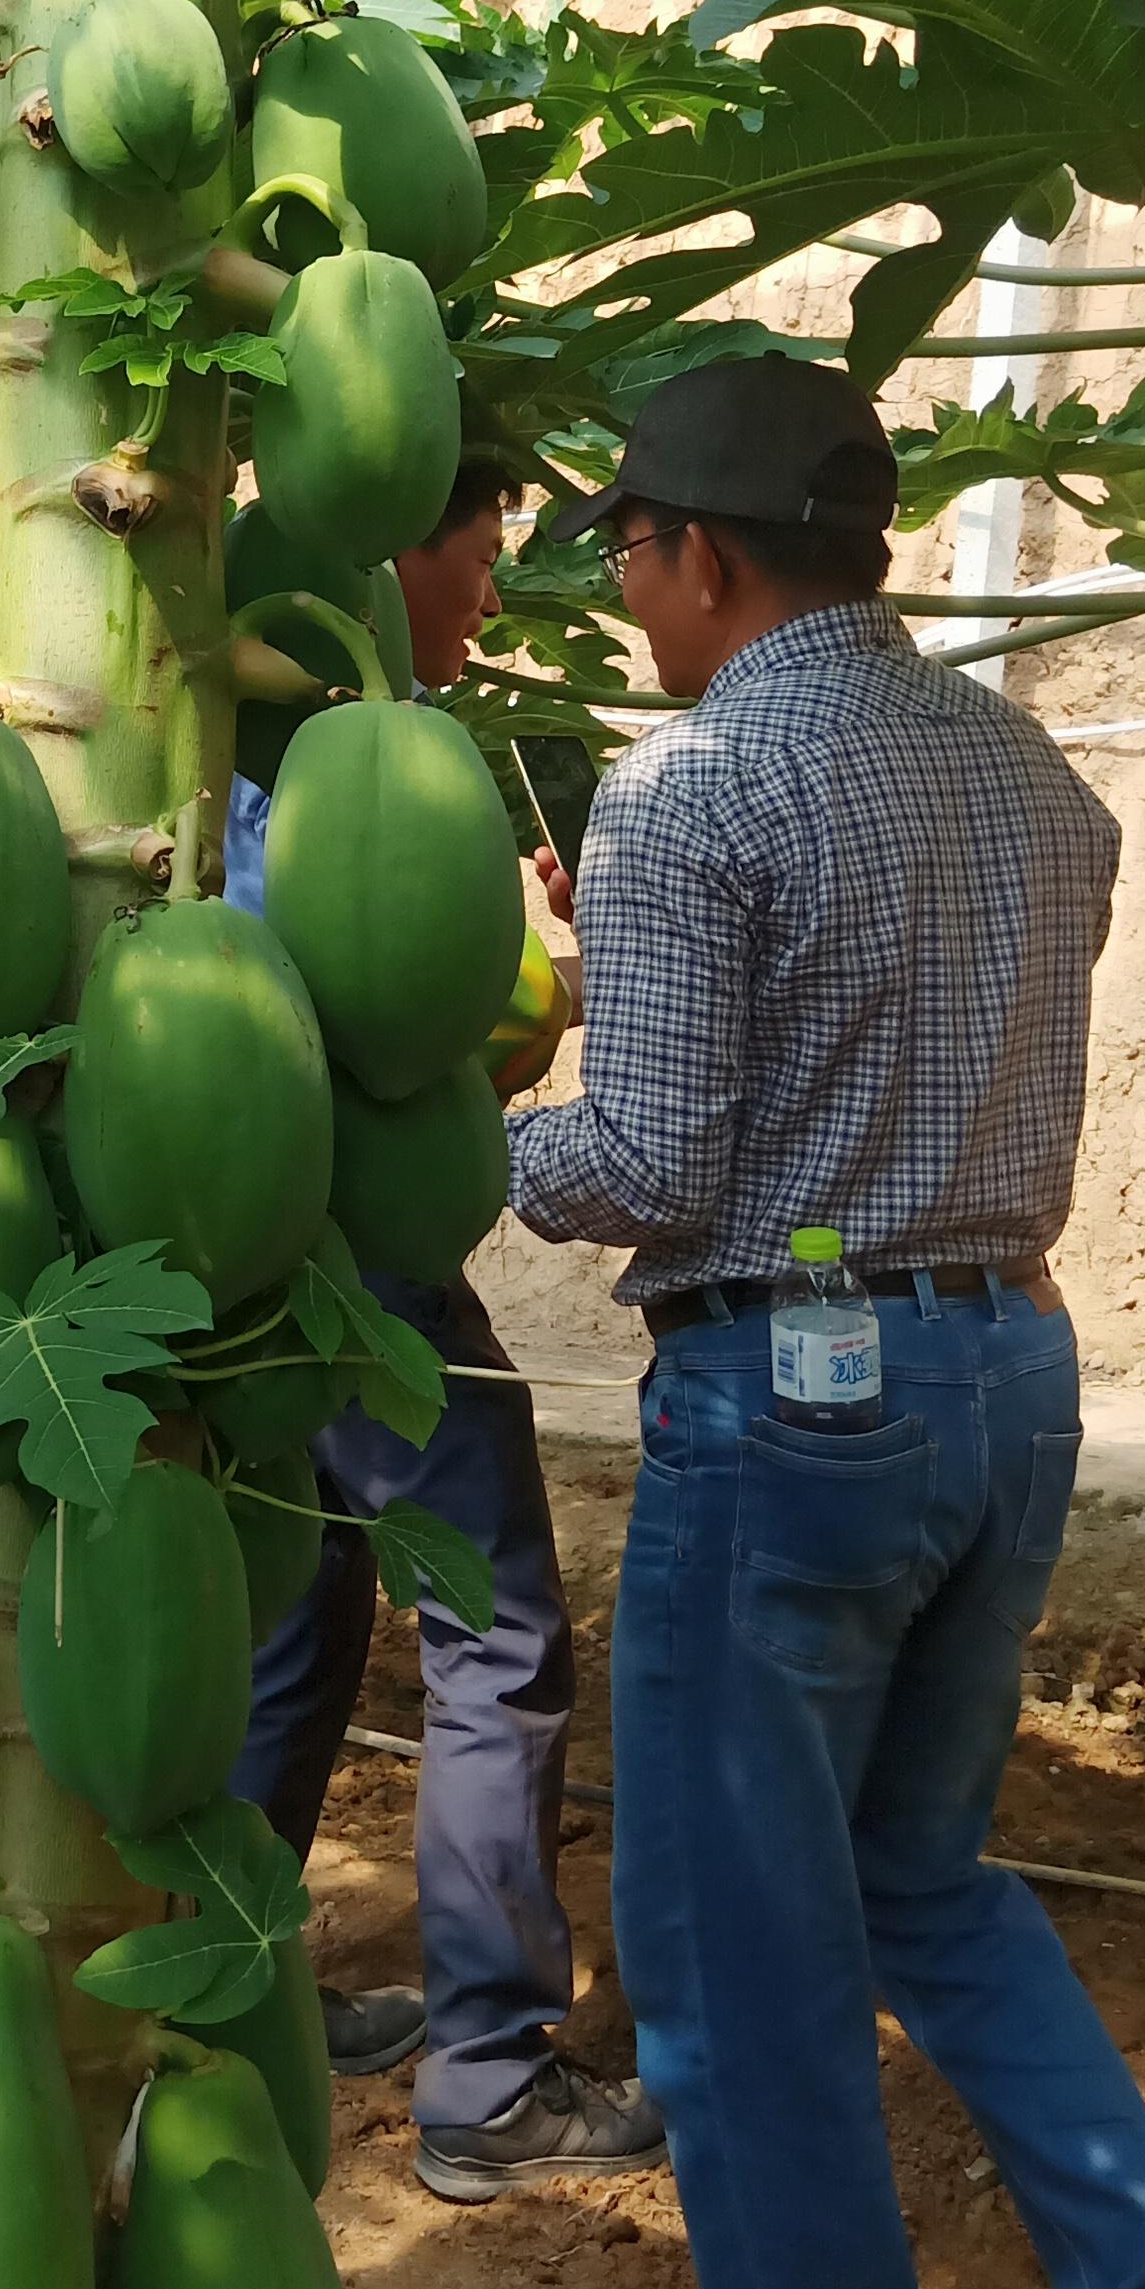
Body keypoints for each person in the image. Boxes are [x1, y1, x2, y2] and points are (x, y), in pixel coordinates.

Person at [509, 350, 1145, 2289]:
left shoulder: (687, 795)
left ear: (692, 554)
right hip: (1007, 1368)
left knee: (726, 1940)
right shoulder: (1025, 773)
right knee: (922, 1879)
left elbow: (651, 1157)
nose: (621, 599)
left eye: (624, 557)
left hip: (792, 1393)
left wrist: (423, 1135)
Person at [226, 460, 664, 2200]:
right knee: (490, 1633)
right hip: (367, 1263)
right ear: (380, 547)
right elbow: (375, 1041)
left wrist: (521, 969)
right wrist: (520, 997)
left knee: (301, 1615)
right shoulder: (352, 769)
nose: (489, 598)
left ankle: (231, 1979)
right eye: (473, 561)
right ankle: (489, 2063)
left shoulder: (271, 751)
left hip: (260, 1256)